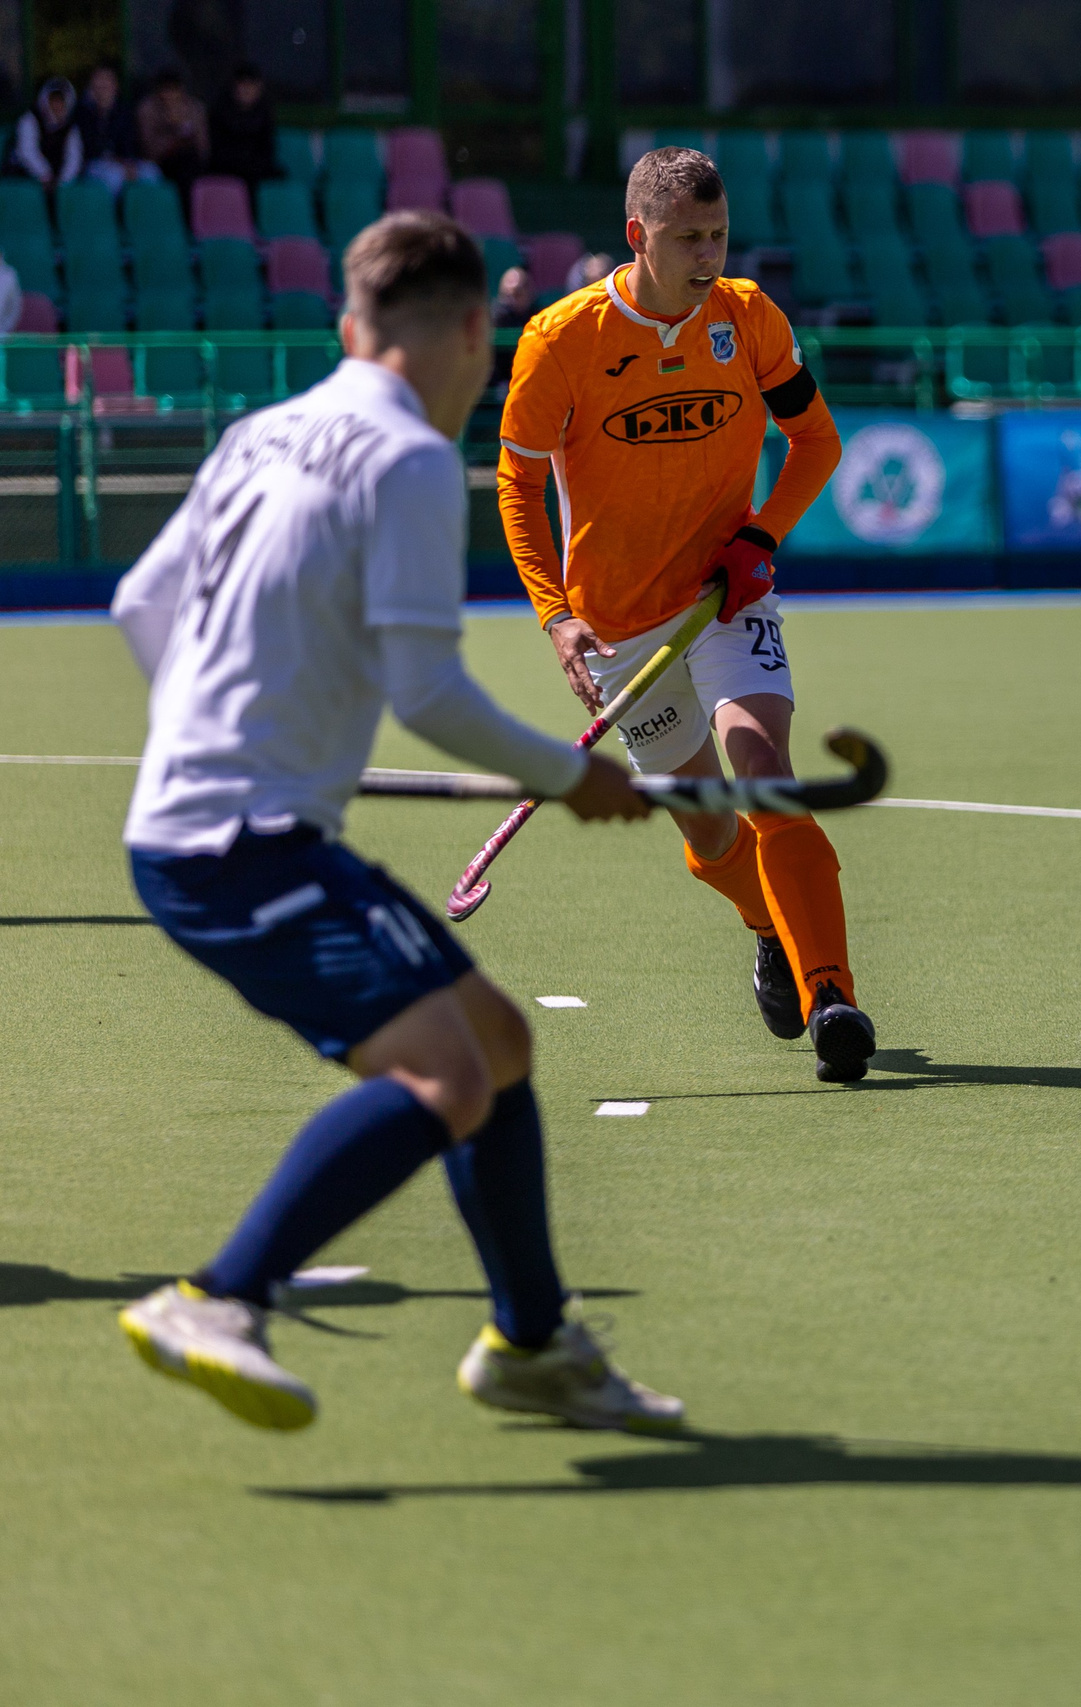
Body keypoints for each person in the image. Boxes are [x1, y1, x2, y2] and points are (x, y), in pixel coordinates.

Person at [108, 210, 682, 1435]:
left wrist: (217, 731)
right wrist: (567, 776)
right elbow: (426, 693)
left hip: (224, 823)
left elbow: (138, 604)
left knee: (499, 1045)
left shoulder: (262, 431)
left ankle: (531, 1342)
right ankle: (218, 1298)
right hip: (234, 846)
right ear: (477, 332)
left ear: (348, 325)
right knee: (446, 1074)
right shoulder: (414, 459)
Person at [496, 147, 859, 1080]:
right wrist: (556, 617)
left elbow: (815, 442)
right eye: (687, 239)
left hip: (726, 593)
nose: (708, 256)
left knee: (764, 770)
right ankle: (765, 924)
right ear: (637, 236)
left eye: (719, 236)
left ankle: (834, 1001)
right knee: (708, 827)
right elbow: (518, 484)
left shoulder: (749, 317)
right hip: (618, 623)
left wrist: (761, 538)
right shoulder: (559, 338)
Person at [75, 63, 147, 190]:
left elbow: (129, 143)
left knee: (151, 172)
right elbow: (88, 148)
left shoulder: (124, 111)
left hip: (122, 162)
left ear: (115, 85)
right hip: (93, 164)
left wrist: (128, 162)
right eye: (99, 80)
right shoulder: (82, 112)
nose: (103, 85)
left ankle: (142, 209)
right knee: (114, 175)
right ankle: (113, 210)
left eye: (107, 80)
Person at [137, 69, 209, 197]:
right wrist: (172, 129)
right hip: (161, 162)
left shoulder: (194, 108)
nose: (170, 95)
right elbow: (149, 148)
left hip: (190, 161)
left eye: (174, 90)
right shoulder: (148, 109)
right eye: (166, 90)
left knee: (188, 163)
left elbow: (202, 146)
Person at [207, 60, 278, 183]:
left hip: (256, 169)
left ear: (259, 88)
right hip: (225, 168)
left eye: (251, 84)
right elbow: (217, 150)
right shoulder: (220, 112)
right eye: (242, 84)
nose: (246, 89)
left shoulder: (265, 114)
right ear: (234, 87)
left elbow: (267, 150)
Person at [12, 77, 84, 188]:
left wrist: (62, 183)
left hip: (57, 182)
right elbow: (26, 152)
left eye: (61, 101)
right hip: (24, 178)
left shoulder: (71, 128)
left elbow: (74, 159)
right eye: (53, 100)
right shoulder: (29, 120)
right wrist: (45, 175)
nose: (57, 105)